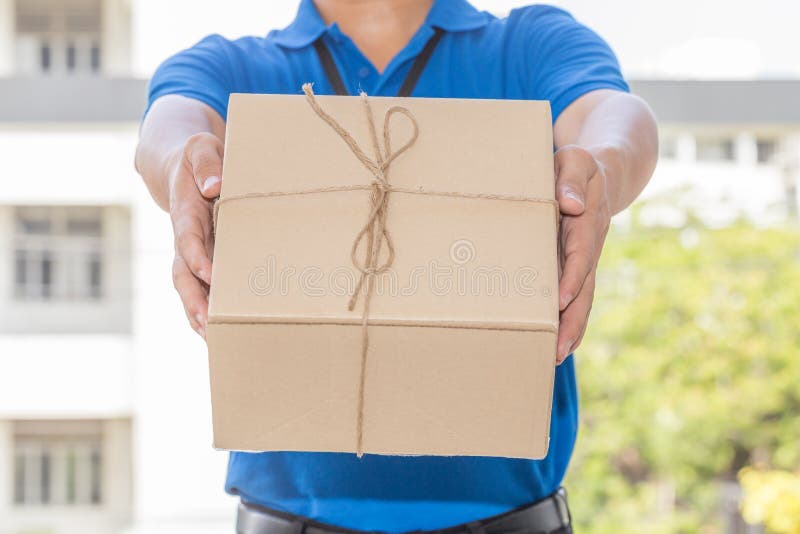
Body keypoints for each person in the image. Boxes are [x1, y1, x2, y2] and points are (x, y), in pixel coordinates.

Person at [135, 0, 658, 532]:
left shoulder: (528, 46)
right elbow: (169, 126)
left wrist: (603, 167)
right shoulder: (234, 70)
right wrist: (183, 165)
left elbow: (615, 116)